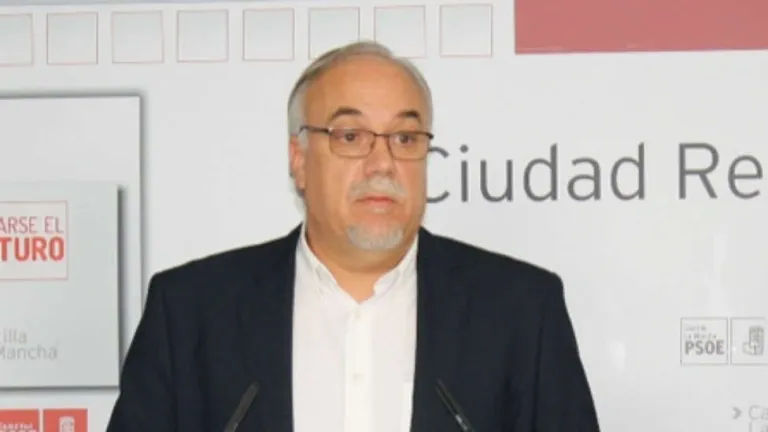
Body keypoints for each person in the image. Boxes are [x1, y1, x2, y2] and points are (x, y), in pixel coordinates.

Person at [106, 40, 600, 432]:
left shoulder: (521, 310)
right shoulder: (190, 312)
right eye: (350, 136)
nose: (382, 163)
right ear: (299, 159)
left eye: (405, 138)